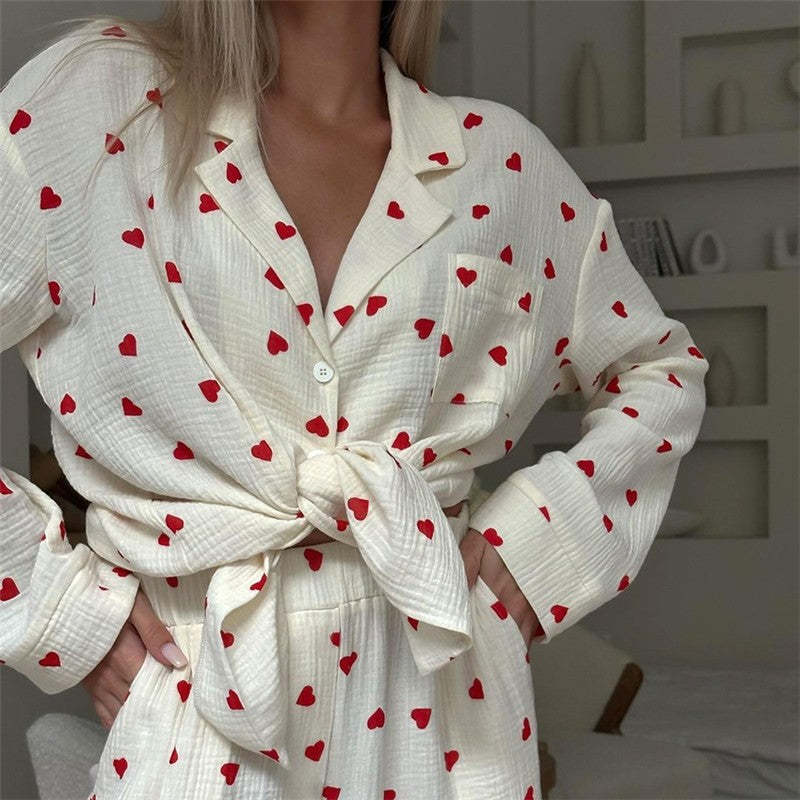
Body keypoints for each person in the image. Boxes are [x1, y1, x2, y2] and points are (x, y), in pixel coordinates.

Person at [0, 1, 708, 798]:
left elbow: (658, 368)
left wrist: (542, 544)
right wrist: (63, 614)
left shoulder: (501, 161)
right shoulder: (101, 101)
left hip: (451, 718)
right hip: (202, 701)